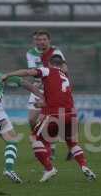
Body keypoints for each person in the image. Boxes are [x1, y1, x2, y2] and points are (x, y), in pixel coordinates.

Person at [2, 55, 96, 183]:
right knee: (72, 144)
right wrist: (41, 104)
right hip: (71, 115)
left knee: (34, 138)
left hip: (55, 115)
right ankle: (84, 166)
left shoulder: (47, 70)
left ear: (50, 64)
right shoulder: (64, 77)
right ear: (61, 65)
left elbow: (28, 72)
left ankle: (49, 168)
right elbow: (58, 98)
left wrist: (8, 75)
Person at [26, 29, 70, 160]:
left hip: (54, 88)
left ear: (49, 40)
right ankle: (47, 145)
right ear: (34, 41)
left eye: (44, 39)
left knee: (54, 119)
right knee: (32, 119)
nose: (41, 42)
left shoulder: (55, 52)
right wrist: (35, 83)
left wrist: (64, 84)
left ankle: (56, 148)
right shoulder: (30, 53)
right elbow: (33, 71)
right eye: (38, 39)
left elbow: (64, 69)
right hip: (40, 88)